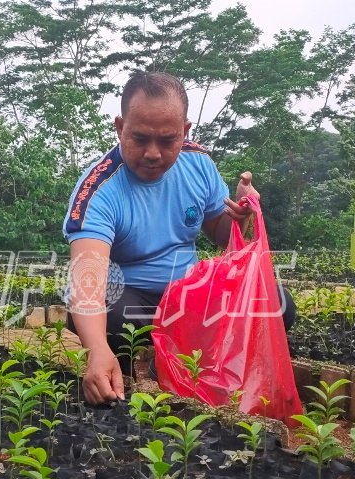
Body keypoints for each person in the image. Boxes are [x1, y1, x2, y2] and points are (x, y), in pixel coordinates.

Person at [62, 71, 295, 405]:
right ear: (119, 127)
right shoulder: (99, 190)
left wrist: (238, 216)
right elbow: (88, 282)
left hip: (188, 297)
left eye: (167, 140)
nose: (153, 153)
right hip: (136, 302)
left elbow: (220, 234)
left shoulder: (198, 164)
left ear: (184, 132)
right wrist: (96, 349)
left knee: (275, 303)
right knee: (113, 316)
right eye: (140, 139)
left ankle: (181, 362)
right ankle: (131, 369)